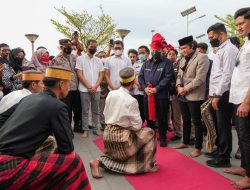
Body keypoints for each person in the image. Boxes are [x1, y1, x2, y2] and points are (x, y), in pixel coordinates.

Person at [0, 66, 91, 189]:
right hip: (10, 168)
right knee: (73, 161)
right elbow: (67, 147)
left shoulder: (29, 98)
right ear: (61, 84)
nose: (70, 88)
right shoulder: (58, 106)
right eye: (70, 84)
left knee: (49, 141)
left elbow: (2, 118)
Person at [89, 67, 157, 178]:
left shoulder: (111, 94)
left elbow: (106, 114)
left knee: (117, 151)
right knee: (149, 132)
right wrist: (128, 126)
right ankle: (146, 165)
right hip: (122, 140)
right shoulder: (131, 100)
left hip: (107, 136)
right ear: (133, 83)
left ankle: (98, 162)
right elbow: (137, 126)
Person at [224, 7, 250, 189]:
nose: (238, 28)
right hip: (238, 97)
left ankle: (249, 177)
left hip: (245, 99)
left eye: (241, 23)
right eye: (237, 24)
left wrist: (247, 102)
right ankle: (244, 167)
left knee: (247, 137)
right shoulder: (246, 43)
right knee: (242, 136)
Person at [206, 23, 238, 167]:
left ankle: (224, 157)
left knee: (224, 125)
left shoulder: (230, 49)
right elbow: (216, 75)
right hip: (217, 93)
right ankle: (220, 150)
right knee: (219, 124)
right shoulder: (220, 50)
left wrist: (217, 94)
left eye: (212, 37)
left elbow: (227, 74)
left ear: (221, 34)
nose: (211, 40)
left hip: (224, 93)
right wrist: (212, 93)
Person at [174, 36, 210, 158]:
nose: (182, 50)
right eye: (181, 48)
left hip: (195, 95)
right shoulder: (183, 59)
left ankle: (198, 147)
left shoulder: (202, 57)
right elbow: (179, 75)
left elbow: (200, 79)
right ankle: (185, 142)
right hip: (182, 94)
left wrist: (185, 89)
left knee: (197, 122)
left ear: (192, 46)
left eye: (184, 48)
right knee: (185, 119)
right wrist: (179, 86)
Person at [138, 33, 173, 147]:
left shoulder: (166, 63)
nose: (154, 52)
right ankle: (150, 136)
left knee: (162, 117)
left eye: (157, 50)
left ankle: (162, 137)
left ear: (161, 50)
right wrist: (145, 88)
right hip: (147, 95)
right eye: (153, 50)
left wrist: (156, 89)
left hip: (161, 96)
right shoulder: (146, 63)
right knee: (149, 118)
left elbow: (168, 77)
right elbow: (140, 77)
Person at [50, 39, 82, 133]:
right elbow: (54, 75)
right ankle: (67, 130)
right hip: (65, 89)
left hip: (76, 87)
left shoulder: (74, 57)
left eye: (70, 46)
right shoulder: (56, 60)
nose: (69, 48)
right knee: (67, 110)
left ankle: (77, 126)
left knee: (78, 109)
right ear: (61, 47)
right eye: (66, 47)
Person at [76, 39, 104, 138]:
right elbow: (79, 74)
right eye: (92, 47)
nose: (94, 49)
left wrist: (95, 86)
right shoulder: (80, 59)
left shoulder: (99, 60)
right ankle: (85, 130)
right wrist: (88, 86)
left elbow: (101, 74)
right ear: (87, 46)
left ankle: (96, 129)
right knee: (85, 111)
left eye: (95, 47)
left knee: (96, 110)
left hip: (97, 89)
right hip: (84, 89)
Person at [167, 49, 183, 141]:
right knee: (169, 113)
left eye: (173, 54)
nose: (171, 56)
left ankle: (179, 133)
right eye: (169, 54)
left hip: (176, 92)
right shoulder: (165, 64)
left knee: (176, 114)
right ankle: (174, 129)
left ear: (176, 56)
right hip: (167, 92)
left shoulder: (178, 65)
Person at [128, 49, 145, 122]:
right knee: (131, 109)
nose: (132, 58)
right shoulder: (126, 64)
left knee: (140, 107)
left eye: (133, 57)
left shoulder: (141, 65)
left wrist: (138, 85)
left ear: (136, 57)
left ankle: (141, 123)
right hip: (128, 90)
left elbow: (140, 76)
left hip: (138, 90)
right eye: (130, 56)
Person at [97, 51, 108, 130]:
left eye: (104, 56)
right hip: (100, 91)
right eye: (100, 57)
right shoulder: (96, 68)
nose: (102, 58)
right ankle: (102, 123)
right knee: (102, 108)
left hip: (110, 90)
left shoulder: (108, 67)